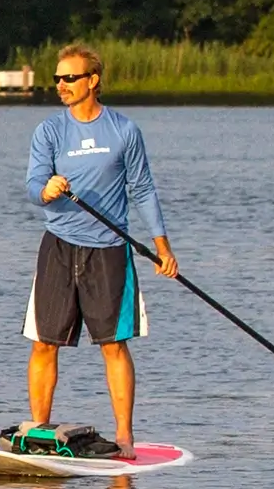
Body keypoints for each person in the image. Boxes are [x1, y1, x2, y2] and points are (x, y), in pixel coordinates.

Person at [17, 43, 179, 456]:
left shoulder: (124, 130)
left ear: (93, 81)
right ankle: (39, 431)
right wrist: (47, 190)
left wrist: (162, 247)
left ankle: (124, 438)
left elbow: (142, 189)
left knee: (113, 345)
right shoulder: (50, 131)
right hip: (58, 247)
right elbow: (33, 188)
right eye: (57, 78)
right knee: (43, 343)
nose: (61, 85)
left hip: (108, 250)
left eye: (70, 78)